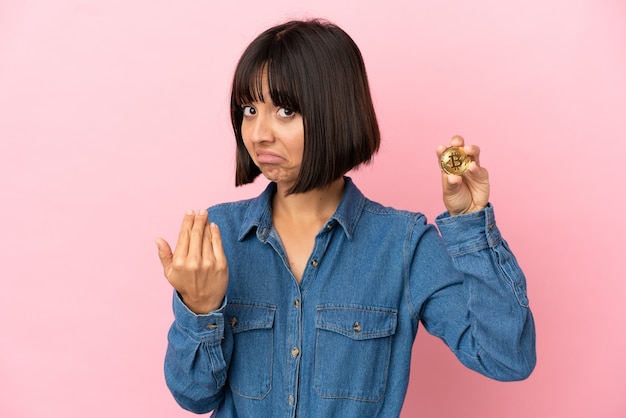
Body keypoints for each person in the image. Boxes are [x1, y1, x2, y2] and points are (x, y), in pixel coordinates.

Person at [155, 18, 536, 417]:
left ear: (334, 112)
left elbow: (507, 357)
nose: (258, 133)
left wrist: (470, 226)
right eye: (249, 109)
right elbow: (193, 396)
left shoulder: (404, 246)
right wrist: (200, 309)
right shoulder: (218, 237)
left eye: (284, 110)